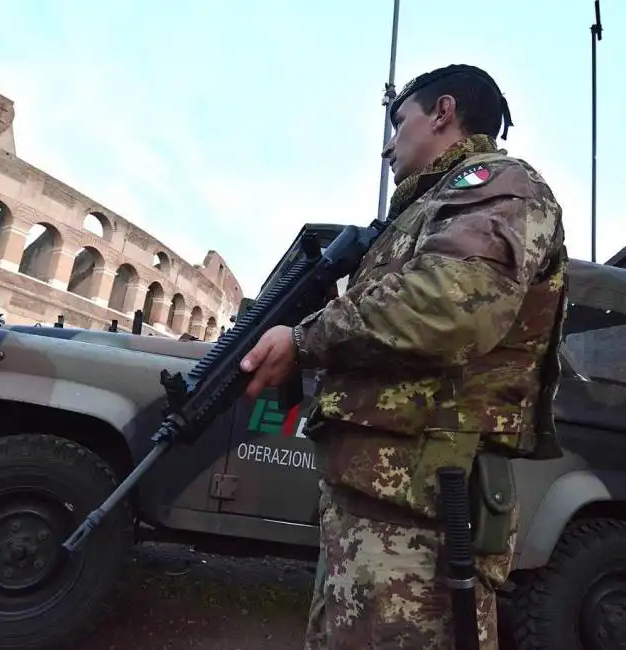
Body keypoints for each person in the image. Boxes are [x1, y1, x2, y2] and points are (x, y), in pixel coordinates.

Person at [240, 64, 568, 649]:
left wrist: (303, 340)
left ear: (443, 112)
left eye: (399, 123)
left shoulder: (497, 185)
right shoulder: (426, 210)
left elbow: (448, 307)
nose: (389, 144)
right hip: (381, 503)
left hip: (425, 518)